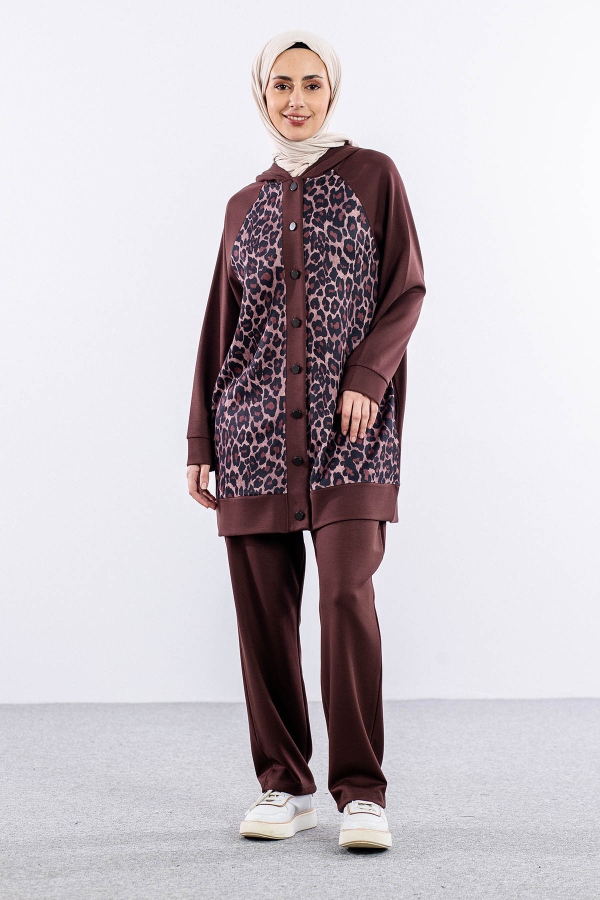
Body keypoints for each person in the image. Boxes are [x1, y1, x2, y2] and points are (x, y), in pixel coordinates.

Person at [186, 29, 426, 851]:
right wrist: (201, 439)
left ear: (333, 91)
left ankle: (362, 791)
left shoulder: (374, 177)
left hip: (352, 432)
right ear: (263, 94)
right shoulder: (242, 206)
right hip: (250, 432)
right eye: (281, 84)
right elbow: (220, 329)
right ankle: (284, 784)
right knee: (262, 615)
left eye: (311, 84)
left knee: (344, 595)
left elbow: (405, 289)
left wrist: (368, 376)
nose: (296, 99)